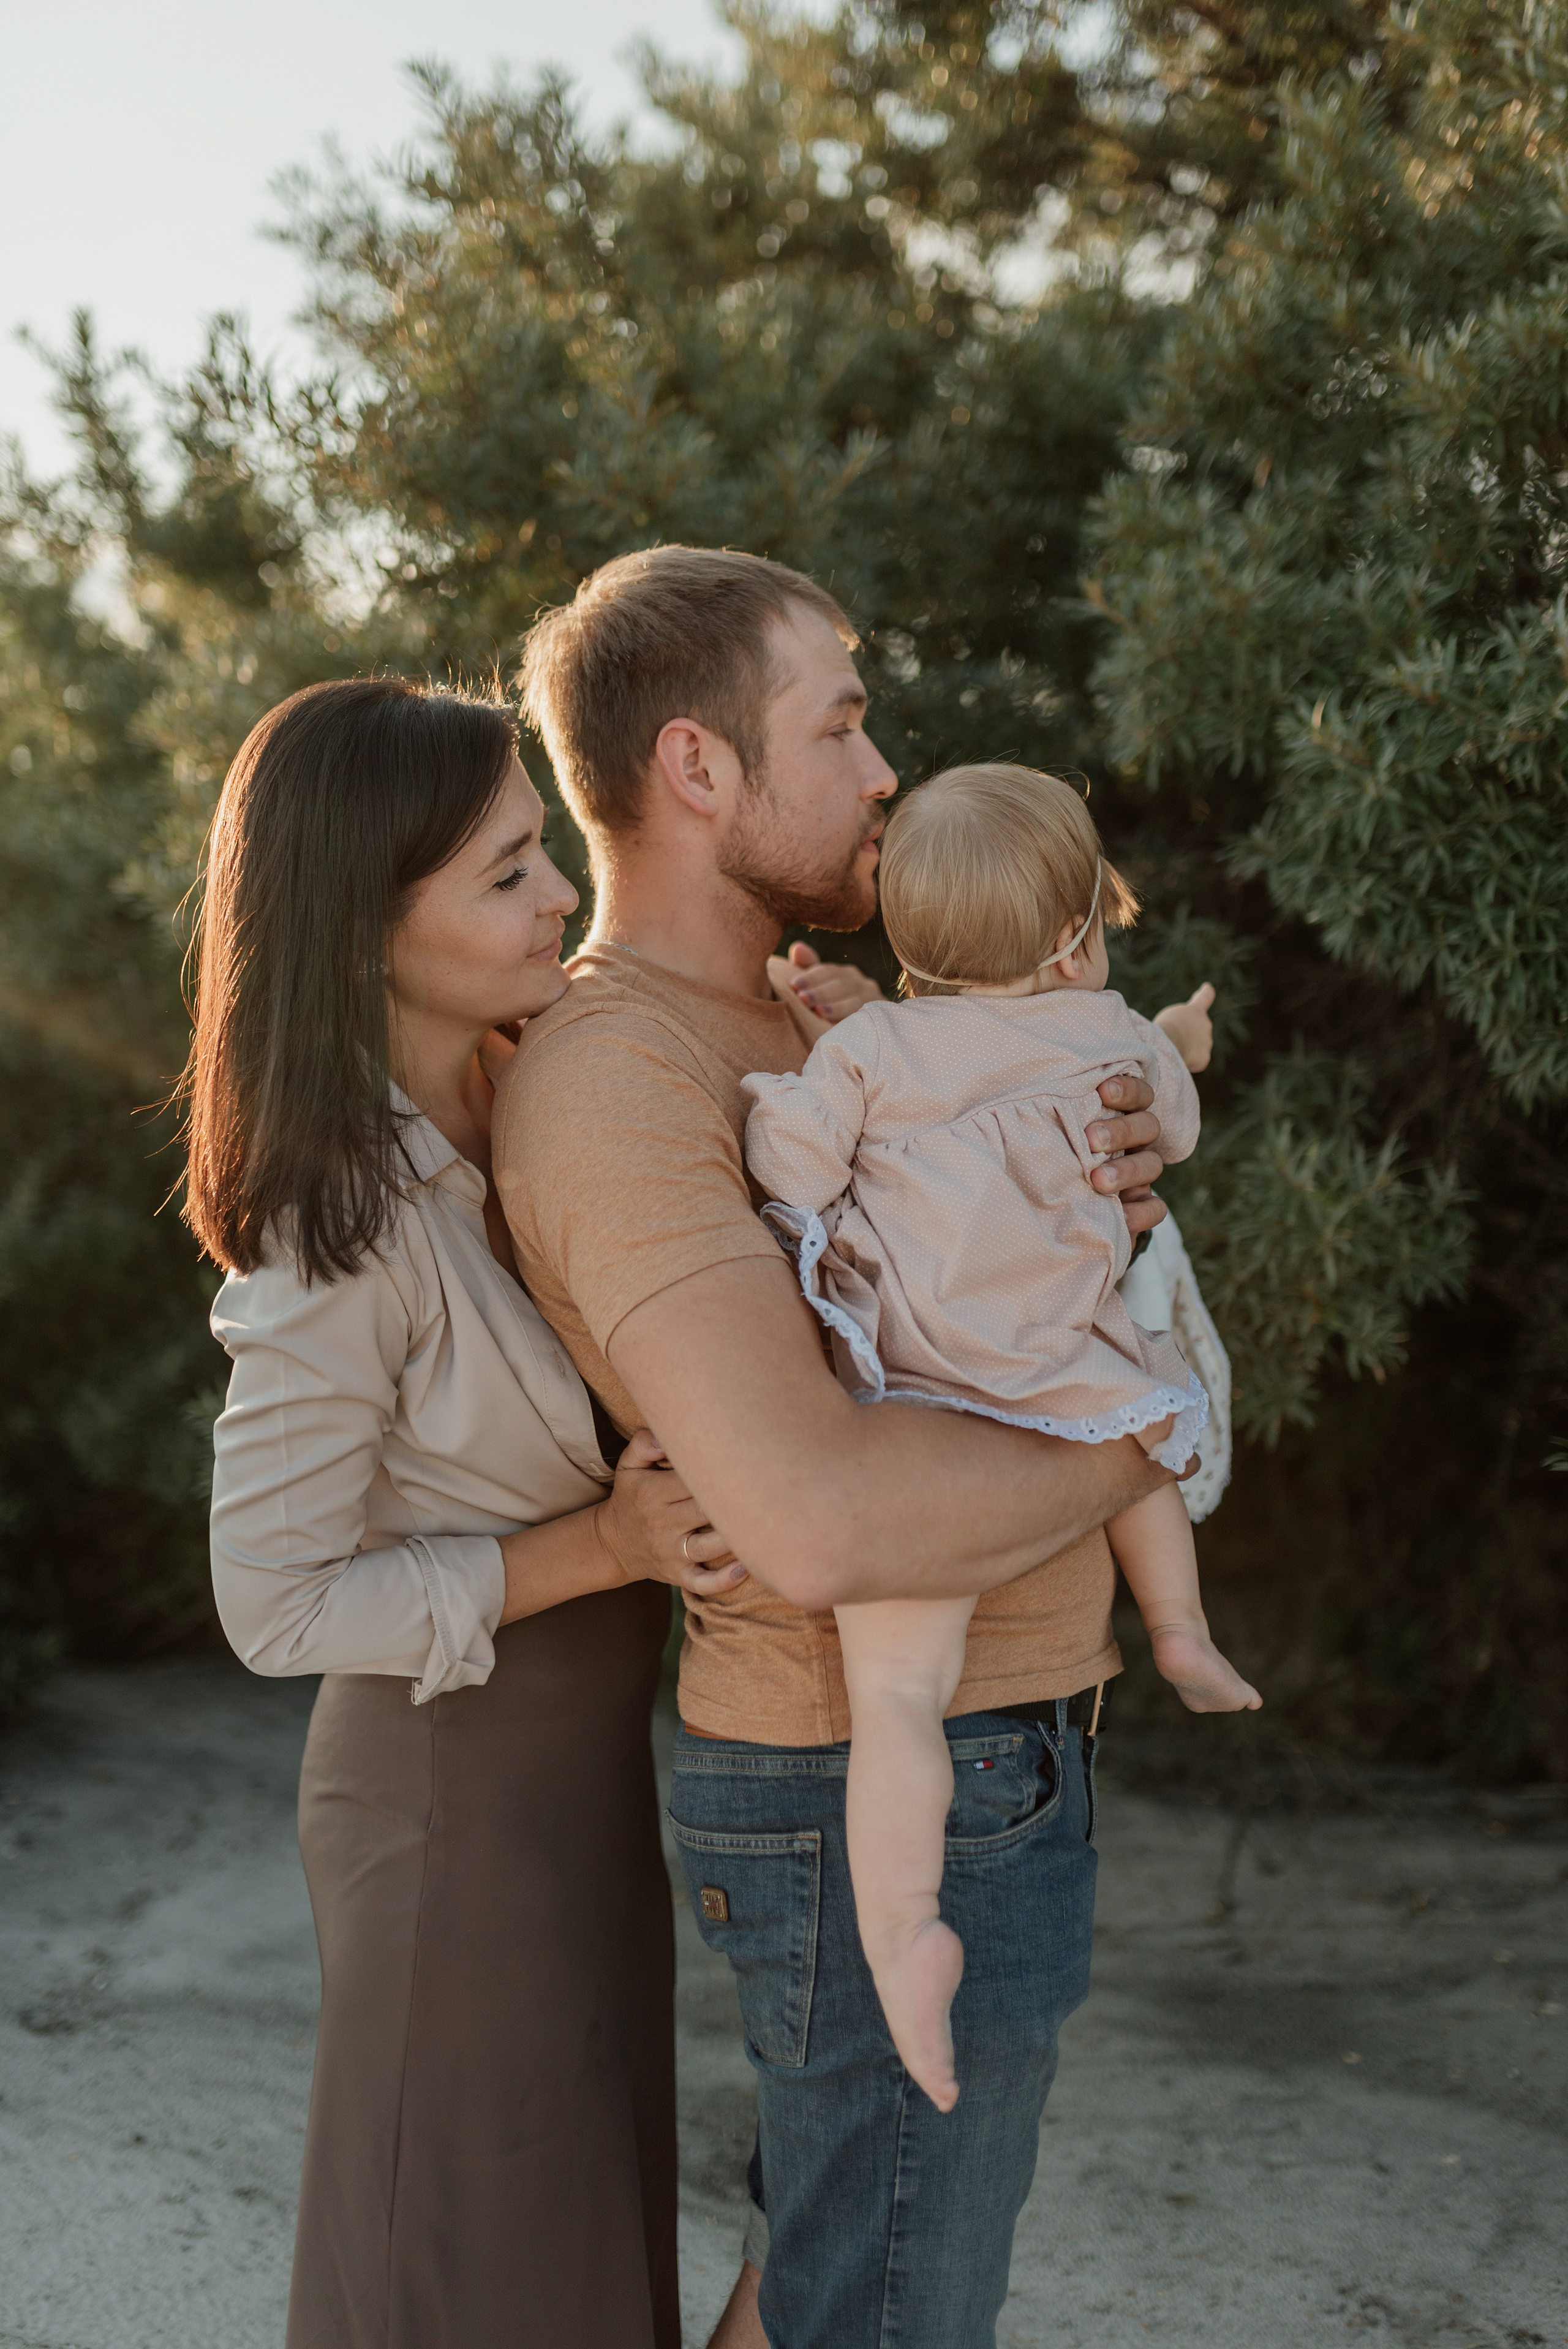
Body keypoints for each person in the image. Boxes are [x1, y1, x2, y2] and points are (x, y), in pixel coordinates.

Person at [494, 546, 1188, 2349]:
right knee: (880, 2306)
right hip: (871, 1771)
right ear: (697, 768)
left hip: (979, 1753)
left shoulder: (838, 1021)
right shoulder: (617, 1075)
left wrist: (1110, 1198)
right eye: (844, 719)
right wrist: (1159, 1419)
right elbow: (809, 1517)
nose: (888, 770)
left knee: (826, 2278)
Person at [186, 676, 752, 2349]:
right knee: (480, 2277)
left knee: (573, 2255)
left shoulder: (540, 1089)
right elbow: (269, 1604)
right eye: (509, 872)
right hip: (446, 1808)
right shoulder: (332, 1222)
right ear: (367, 921)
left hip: (576, 1792)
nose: (563, 893)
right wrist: (601, 1549)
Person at [742, 760, 1262, 2114]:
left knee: (899, 1704)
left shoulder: (867, 1050)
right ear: (1076, 936)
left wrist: (780, 1088)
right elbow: (1181, 1110)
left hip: (917, 1403)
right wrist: (1184, 1035)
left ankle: (903, 1934)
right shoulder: (1109, 1038)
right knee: (1146, 1412)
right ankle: (1181, 1632)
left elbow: (789, 1173)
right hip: (1062, 1368)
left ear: (902, 941)